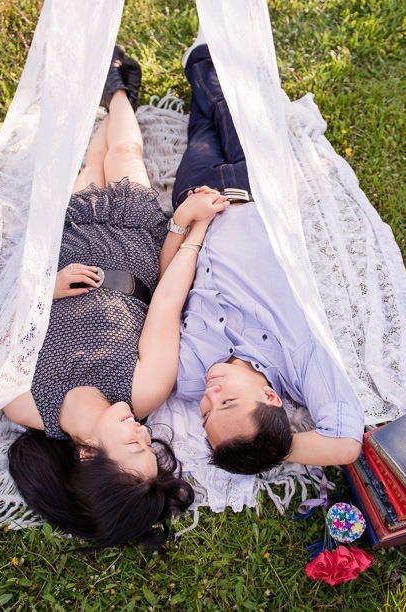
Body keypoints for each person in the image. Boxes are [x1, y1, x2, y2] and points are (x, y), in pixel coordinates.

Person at [2, 45, 230, 549]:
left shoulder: (24, 404)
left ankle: (111, 92)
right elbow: (167, 304)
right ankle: (121, 90)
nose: (141, 431)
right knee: (125, 156)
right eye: (149, 443)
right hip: (135, 249)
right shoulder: (143, 392)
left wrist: (45, 291)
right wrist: (189, 229)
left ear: (87, 455)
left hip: (69, 246)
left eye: (132, 446)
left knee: (90, 163)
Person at [163, 38, 364, 476]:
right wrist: (269, 448)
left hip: (197, 201)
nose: (211, 394)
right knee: (225, 105)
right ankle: (207, 46)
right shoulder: (300, 358)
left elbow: (168, 288)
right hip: (257, 191)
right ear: (272, 399)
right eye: (228, 401)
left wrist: (183, 221)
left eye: (205, 413)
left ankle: (204, 57)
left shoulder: (186, 377)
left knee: (200, 129)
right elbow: (346, 444)